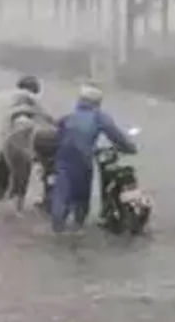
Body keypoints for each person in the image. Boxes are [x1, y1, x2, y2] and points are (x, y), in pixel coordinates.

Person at [50, 83, 137, 234]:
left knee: (61, 195)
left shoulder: (67, 118)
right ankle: (77, 229)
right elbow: (117, 137)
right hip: (82, 160)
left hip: (62, 160)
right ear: (98, 102)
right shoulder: (99, 117)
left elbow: (56, 136)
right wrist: (130, 149)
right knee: (81, 197)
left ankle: (57, 230)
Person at [0, 75, 55, 210]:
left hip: (12, 144)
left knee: (6, 171)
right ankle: (16, 205)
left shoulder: (12, 102)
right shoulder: (31, 104)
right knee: (21, 179)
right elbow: (48, 120)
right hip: (22, 145)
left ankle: (2, 200)